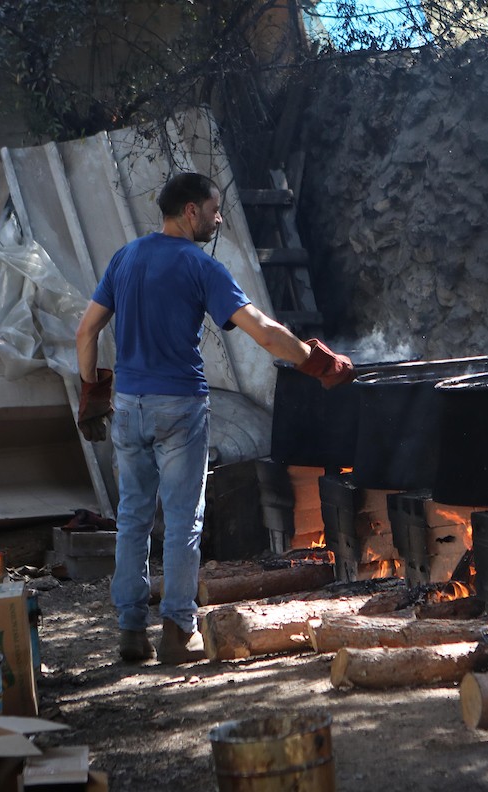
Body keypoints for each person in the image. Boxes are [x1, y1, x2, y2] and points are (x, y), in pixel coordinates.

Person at [75, 172, 354, 664]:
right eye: (213, 209)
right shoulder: (199, 266)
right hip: (179, 408)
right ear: (189, 212)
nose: (218, 217)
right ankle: (178, 632)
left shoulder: (125, 258)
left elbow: (87, 330)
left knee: (133, 520)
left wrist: (93, 391)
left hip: (129, 407)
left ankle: (131, 632)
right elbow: (264, 333)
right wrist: (317, 362)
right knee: (183, 521)